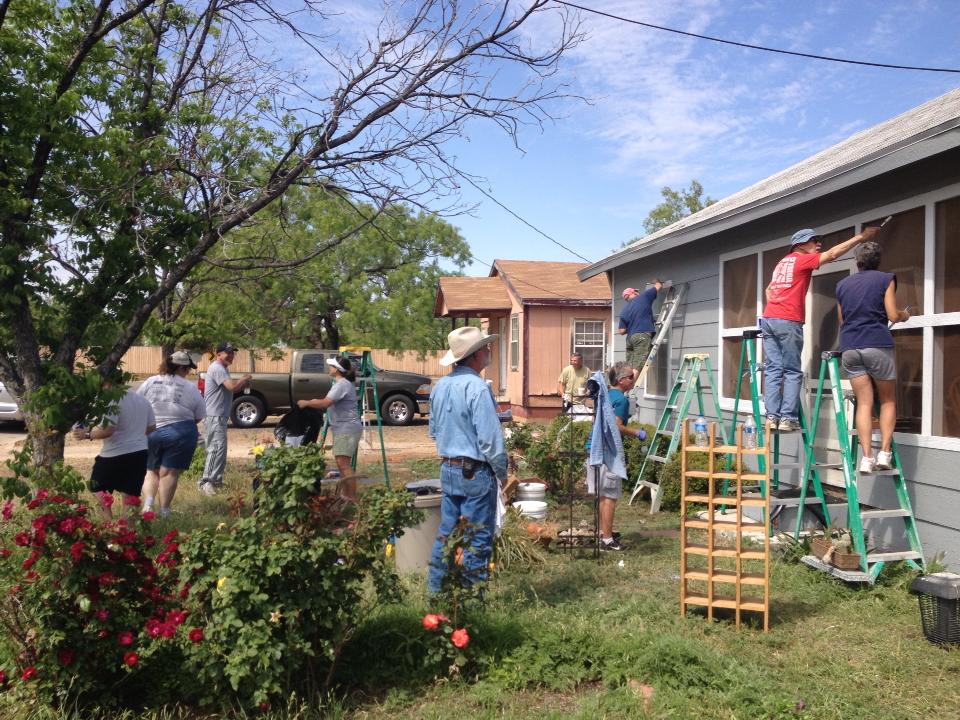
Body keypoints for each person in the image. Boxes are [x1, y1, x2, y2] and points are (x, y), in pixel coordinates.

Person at [761, 226, 879, 432]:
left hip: (769, 318)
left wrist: (777, 305)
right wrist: (861, 237)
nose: (818, 244)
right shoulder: (801, 259)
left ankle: (771, 417)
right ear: (799, 245)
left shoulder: (782, 263)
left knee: (772, 369)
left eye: (818, 240)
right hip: (788, 319)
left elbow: (769, 290)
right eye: (813, 241)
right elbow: (832, 254)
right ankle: (788, 418)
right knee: (791, 370)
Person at [427, 326, 508, 594]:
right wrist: (502, 472)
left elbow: (433, 431)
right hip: (475, 471)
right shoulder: (477, 387)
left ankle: (437, 592)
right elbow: (490, 440)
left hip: (448, 467)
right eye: (485, 347)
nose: (489, 350)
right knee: (478, 538)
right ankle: (472, 599)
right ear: (474, 355)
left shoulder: (440, 386)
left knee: (447, 533)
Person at [836, 241, 910, 473]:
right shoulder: (885, 279)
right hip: (876, 344)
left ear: (857, 261)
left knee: (864, 403)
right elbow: (892, 314)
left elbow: (842, 320)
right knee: (887, 400)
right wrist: (904, 315)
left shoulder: (842, 285)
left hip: (850, 347)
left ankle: (866, 458)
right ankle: (884, 454)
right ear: (878, 260)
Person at [137, 351, 206, 517]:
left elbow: (138, 403)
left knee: (150, 470)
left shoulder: (150, 381)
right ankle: (164, 510)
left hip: (151, 431)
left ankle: (148, 505)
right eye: (187, 369)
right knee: (169, 472)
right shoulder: (189, 387)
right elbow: (199, 415)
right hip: (180, 432)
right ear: (181, 368)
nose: (188, 372)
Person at [73, 387, 156, 522]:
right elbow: (152, 427)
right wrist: (135, 436)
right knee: (130, 496)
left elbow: (108, 430)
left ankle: (109, 525)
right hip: (139, 452)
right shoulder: (142, 400)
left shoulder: (112, 400)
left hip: (114, 454)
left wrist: (86, 435)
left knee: (97, 488)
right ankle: (126, 531)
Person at [591, 362, 644, 551]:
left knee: (603, 495)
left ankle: (603, 533)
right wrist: (637, 433)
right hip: (608, 452)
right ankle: (607, 540)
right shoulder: (621, 400)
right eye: (631, 377)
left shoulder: (605, 395)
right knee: (610, 497)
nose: (633, 379)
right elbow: (616, 426)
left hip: (595, 449)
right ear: (621, 380)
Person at [297, 356, 364, 500]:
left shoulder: (341, 384)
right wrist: (315, 401)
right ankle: (346, 495)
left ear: (337, 369)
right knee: (342, 464)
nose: (329, 368)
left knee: (344, 465)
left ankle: (351, 497)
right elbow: (328, 401)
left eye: (331, 366)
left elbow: (326, 403)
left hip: (346, 428)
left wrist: (307, 403)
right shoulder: (342, 383)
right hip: (346, 428)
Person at [199, 342, 252, 496]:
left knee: (220, 449)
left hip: (219, 416)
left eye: (232, 353)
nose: (231, 355)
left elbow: (230, 389)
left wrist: (243, 384)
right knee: (215, 449)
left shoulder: (223, 369)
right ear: (218, 354)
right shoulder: (217, 368)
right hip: (214, 416)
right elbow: (232, 387)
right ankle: (206, 482)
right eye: (228, 353)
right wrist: (244, 379)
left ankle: (216, 480)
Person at [618, 279, 663, 380]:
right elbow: (659, 286)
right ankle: (627, 387)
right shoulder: (643, 297)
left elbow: (621, 331)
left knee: (629, 366)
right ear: (633, 293)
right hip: (641, 336)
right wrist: (656, 280)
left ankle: (624, 384)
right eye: (636, 291)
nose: (638, 293)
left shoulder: (624, 310)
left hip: (630, 339)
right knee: (638, 365)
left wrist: (632, 325)